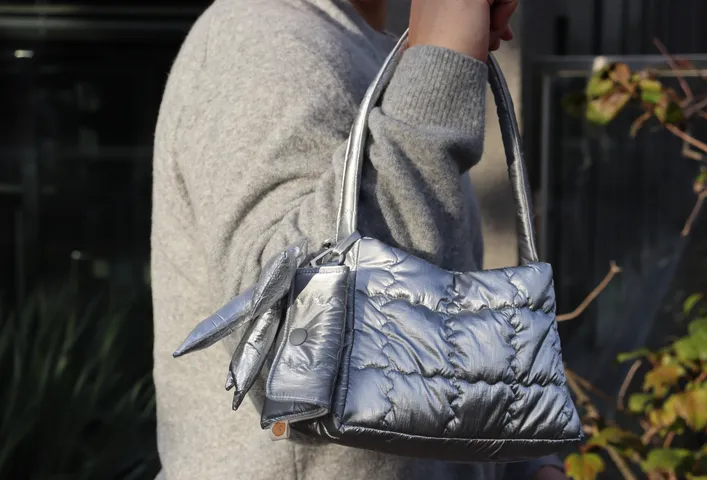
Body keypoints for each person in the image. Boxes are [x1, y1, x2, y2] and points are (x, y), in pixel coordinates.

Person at [151, 0, 569, 479]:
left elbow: (437, 324)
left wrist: (525, 464)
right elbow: (286, 362)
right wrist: (440, 61)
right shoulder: (262, 38)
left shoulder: (370, 50)